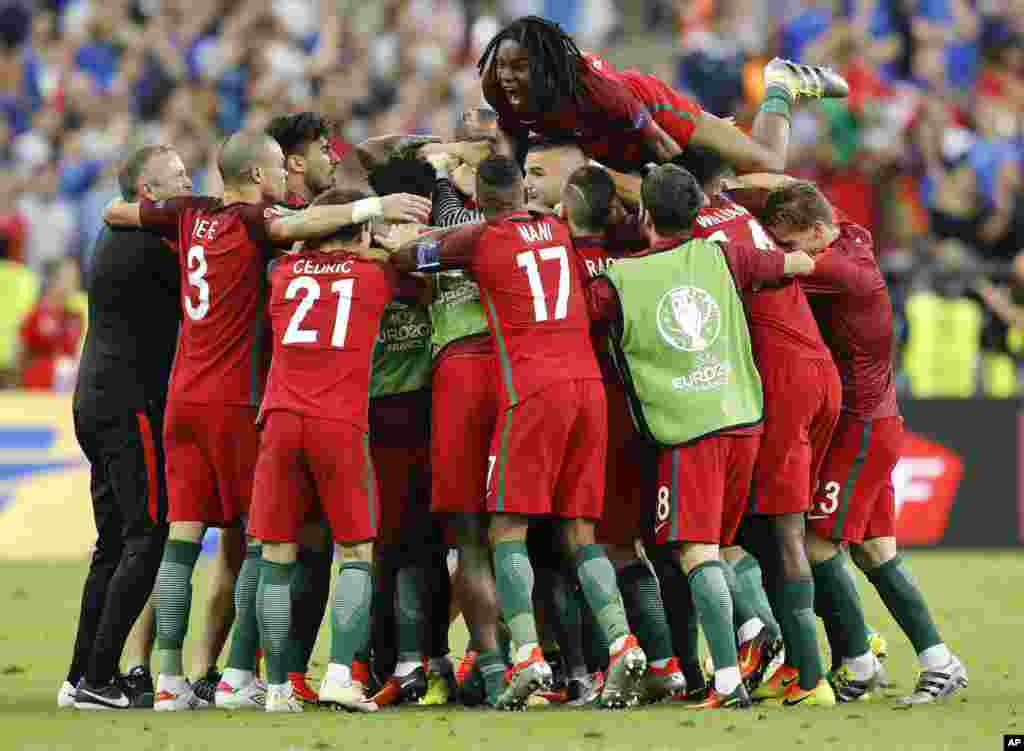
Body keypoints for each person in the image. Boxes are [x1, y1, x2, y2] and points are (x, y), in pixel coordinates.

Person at [102, 129, 432, 712]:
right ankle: (243, 675)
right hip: (240, 402)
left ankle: (170, 680)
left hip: (185, 396)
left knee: (183, 541)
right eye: (279, 167)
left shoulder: (195, 215)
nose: (285, 178)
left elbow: (117, 210)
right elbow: (402, 269)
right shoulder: (265, 228)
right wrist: (376, 216)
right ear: (257, 175)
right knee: (269, 545)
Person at [392, 156, 646, 710]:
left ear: (483, 202)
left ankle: (526, 655)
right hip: (588, 389)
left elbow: (409, 258)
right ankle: (622, 642)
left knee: (505, 528)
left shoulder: (482, 238)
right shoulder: (557, 228)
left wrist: (417, 238)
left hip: (532, 390)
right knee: (580, 532)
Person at [584, 164, 816, 709]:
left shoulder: (620, 280)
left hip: (687, 430)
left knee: (695, 551)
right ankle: (754, 624)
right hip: (742, 420)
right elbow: (796, 262)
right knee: (720, 544)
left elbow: (574, 312)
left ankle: (729, 679)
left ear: (644, 215)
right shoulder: (723, 256)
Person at [752, 178, 967, 706]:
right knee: (874, 550)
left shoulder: (833, 271)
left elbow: (765, 275)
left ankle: (859, 660)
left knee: (816, 542)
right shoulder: (852, 235)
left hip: (861, 426)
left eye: (791, 244)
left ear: (816, 232)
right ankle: (937, 661)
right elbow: (798, 191)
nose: (786, 252)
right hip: (874, 420)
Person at [250, 187, 421, 713]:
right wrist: (380, 240)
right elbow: (413, 265)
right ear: (361, 233)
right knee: (356, 552)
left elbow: (292, 240)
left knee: (276, 556)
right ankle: (341, 675)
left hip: (280, 420)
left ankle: (277, 687)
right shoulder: (375, 275)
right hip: (339, 423)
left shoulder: (282, 272)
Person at [682, 146, 841, 707]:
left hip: (783, 378)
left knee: (784, 532)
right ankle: (821, 652)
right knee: (770, 525)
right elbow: (776, 173)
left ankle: (810, 675)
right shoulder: (738, 209)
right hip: (819, 370)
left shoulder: (697, 228)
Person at [63, 145, 189, 710]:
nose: (188, 183)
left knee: (113, 542)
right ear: (148, 193)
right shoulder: (150, 245)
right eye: (177, 177)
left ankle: (80, 675)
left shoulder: (114, 236)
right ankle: (99, 677)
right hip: (131, 402)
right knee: (147, 535)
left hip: (93, 397)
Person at [560, 164, 685, 705]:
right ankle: (667, 665)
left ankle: (638, 663)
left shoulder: (560, 260)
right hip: (643, 410)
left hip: (592, 416)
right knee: (631, 546)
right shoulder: (633, 253)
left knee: (596, 547)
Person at [478, 16, 849, 174]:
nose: (507, 76)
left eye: (519, 67)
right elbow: (514, 140)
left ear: (543, 66)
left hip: (653, 111)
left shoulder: (596, 89)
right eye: (503, 66)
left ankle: (780, 82)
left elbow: (659, 143)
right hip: (606, 141)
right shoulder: (496, 86)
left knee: (766, 163)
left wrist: (689, 174)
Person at [263, 111, 339, 705]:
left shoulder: (308, 217)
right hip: (277, 400)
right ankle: (255, 674)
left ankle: (275, 675)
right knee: (270, 548)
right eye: (323, 149)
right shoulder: (274, 221)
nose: (333, 157)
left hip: (288, 404)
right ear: (294, 162)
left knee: (304, 546)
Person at [20, 256, 84, 391]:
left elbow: (75, 353)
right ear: (53, 280)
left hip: (67, 385)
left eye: (75, 278)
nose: (73, 283)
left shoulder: (76, 316)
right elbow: (22, 356)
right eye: (68, 277)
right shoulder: (35, 315)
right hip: (39, 384)